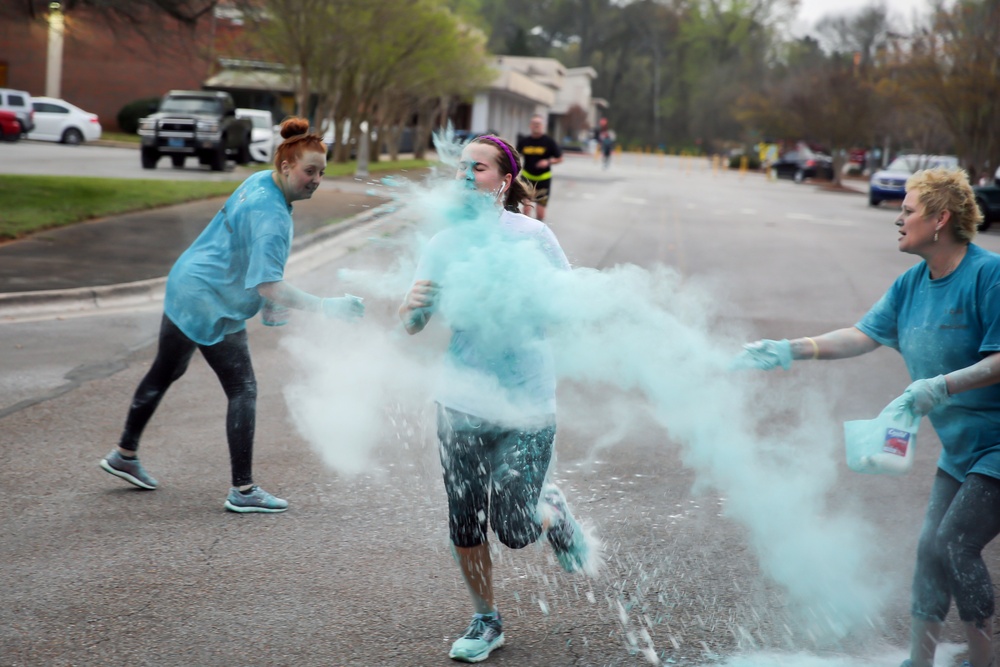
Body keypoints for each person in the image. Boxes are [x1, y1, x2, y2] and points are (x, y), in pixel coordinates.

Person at [735, 168, 998, 667]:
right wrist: (790, 349)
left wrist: (940, 385)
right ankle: (919, 662)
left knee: (955, 543)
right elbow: (862, 335)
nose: (898, 219)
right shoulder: (911, 284)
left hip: (999, 447)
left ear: (941, 219)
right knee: (930, 551)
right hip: (963, 451)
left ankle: (983, 662)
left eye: (908, 210)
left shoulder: (989, 275)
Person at [100, 117, 364, 513]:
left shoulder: (262, 180)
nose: (316, 180)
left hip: (187, 283)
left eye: (322, 172)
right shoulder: (272, 216)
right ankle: (243, 490)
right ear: (287, 167)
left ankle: (124, 453)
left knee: (166, 369)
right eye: (310, 171)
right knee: (243, 388)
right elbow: (268, 284)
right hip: (211, 301)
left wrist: (269, 298)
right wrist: (327, 307)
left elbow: (251, 254)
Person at [399, 134, 592, 662]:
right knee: (464, 517)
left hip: (526, 403)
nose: (465, 175)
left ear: (503, 181)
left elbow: (570, 309)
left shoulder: (533, 236)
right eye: (461, 166)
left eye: (477, 167)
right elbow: (415, 326)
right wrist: (413, 306)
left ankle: (550, 510)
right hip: (459, 401)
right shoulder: (442, 243)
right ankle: (486, 619)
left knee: (513, 526)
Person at [516, 114, 563, 222]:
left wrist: (548, 161)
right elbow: (516, 156)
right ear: (530, 126)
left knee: (540, 213)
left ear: (543, 126)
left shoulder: (549, 142)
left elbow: (560, 158)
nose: (536, 126)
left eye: (538, 124)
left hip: (543, 179)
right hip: (527, 178)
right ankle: (526, 232)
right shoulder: (524, 141)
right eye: (534, 124)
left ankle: (538, 232)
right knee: (526, 208)